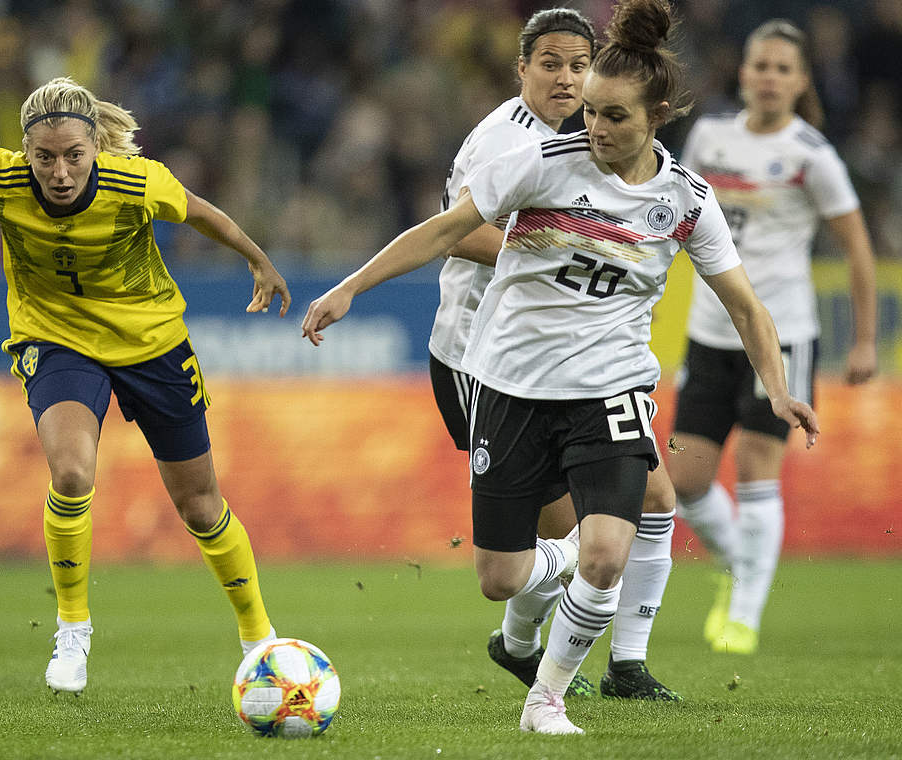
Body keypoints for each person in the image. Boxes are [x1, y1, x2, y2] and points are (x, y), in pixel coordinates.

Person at [301, 0, 818, 734]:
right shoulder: (537, 164)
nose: (594, 128)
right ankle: (539, 609)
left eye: (613, 116)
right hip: (510, 386)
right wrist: (350, 286)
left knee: (612, 550)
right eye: (593, 112)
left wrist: (779, 390)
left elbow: (745, 305)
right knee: (500, 577)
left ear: (657, 115)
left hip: (610, 390)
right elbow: (446, 229)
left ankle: (547, 695)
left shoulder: (685, 200)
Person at [0, 76, 291, 695]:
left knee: (200, 504)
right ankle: (72, 629)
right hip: (57, 340)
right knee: (70, 474)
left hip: (151, 343)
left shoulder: (137, 183)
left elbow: (200, 212)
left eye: (73, 156)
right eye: (44, 157)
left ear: (96, 149)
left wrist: (257, 258)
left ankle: (258, 639)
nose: (59, 172)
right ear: (25, 151)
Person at [429, 7, 681, 702]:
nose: (566, 79)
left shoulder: (584, 136)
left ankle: (620, 662)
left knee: (653, 498)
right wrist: (577, 248)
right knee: (571, 536)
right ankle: (522, 641)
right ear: (522, 70)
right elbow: (456, 233)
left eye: (578, 65)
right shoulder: (506, 140)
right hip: (485, 359)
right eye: (551, 65)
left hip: (566, 363)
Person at [669, 19, 877, 656]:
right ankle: (739, 567)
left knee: (758, 469)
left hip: (782, 335)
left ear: (801, 81)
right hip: (708, 330)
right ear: (743, 72)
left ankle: (746, 614)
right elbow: (668, 211)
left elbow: (858, 250)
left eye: (783, 69)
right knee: (686, 481)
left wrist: (864, 341)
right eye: (760, 65)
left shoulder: (813, 155)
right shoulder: (707, 136)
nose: (769, 78)